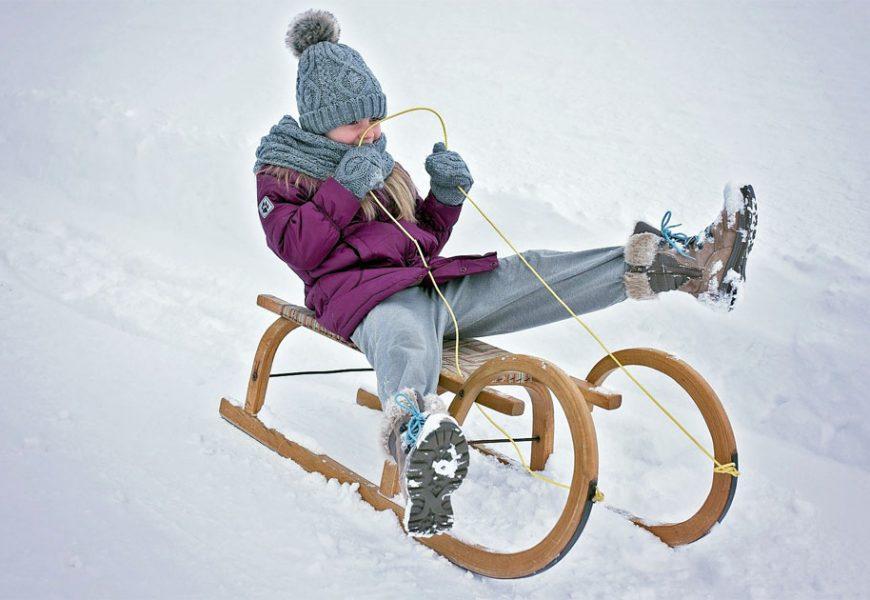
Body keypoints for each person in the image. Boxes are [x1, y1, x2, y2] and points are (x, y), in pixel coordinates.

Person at [252, 9, 758, 538]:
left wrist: (444, 199)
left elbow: (418, 236)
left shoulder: (375, 158)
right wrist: (344, 188)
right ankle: (420, 453)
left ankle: (681, 269)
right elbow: (298, 250)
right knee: (407, 346)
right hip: (367, 303)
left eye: (376, 119)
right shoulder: (283, 170)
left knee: (530, 270)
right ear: (318, 122)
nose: (372, 132)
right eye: (357, 123)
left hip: (430, 284)